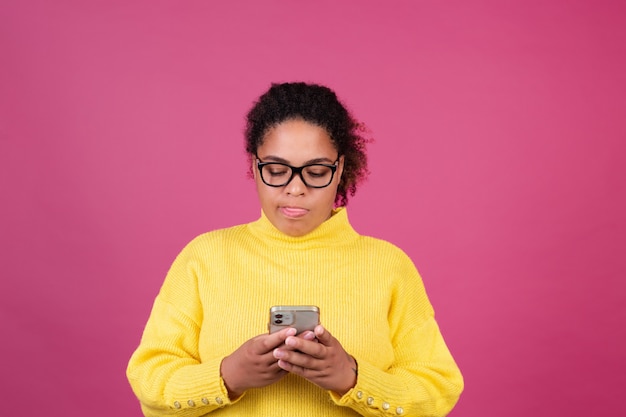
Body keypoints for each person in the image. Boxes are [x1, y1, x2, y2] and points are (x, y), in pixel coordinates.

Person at [126, 82, 464, 416]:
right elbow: (149, 382)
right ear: (255, 167)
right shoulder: (204, 257)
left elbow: (438, 389)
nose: (295, 188)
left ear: (340, 169)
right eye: (276, 170)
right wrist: (227, 376)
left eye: (316, 172)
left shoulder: (389, 265)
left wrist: (352, 379)